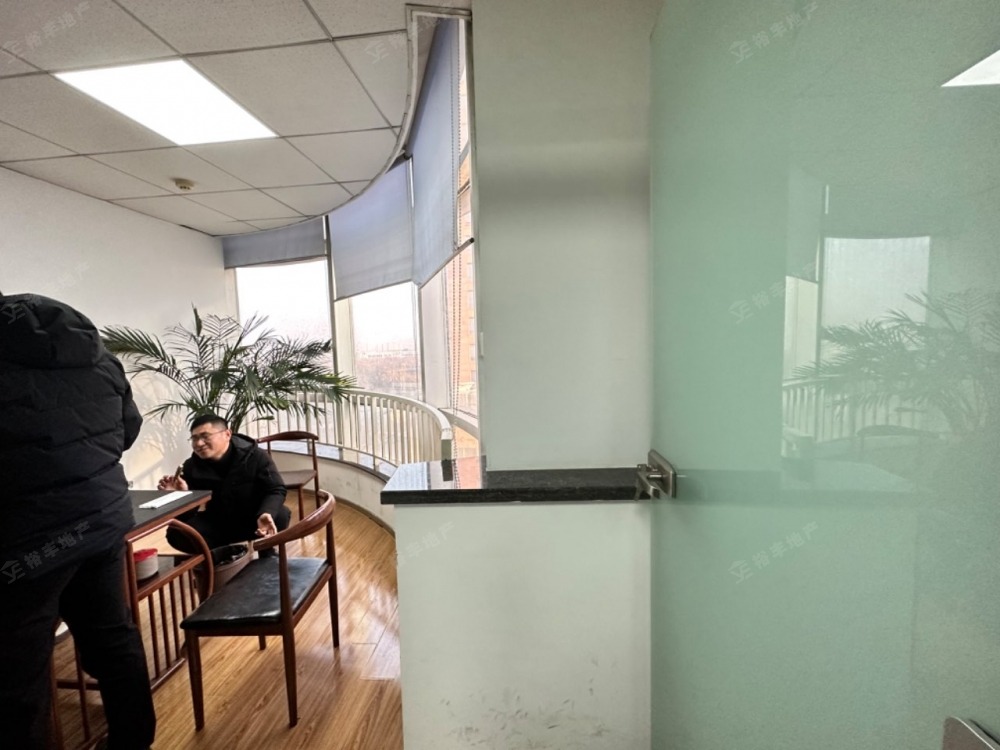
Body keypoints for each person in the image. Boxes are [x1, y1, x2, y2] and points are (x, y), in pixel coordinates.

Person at [0, 291, 155, 750]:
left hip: (26, 541)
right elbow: (127, 429)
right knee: (114, 639)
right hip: (101, 522)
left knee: (16, 679)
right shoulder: (93, 352)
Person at [159, 414, 290, 554]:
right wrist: (181, 496)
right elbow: (187, 516)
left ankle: (265, 549)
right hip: (218, 521)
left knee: (280, 515)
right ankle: (223, 555)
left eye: (205, 436)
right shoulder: (192, 466)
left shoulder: (255, 456)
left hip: (253, 517)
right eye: (194, 438)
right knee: (177, 533)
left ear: (227, 434)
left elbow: (276, 489)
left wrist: (266, 512)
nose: (199, 443)